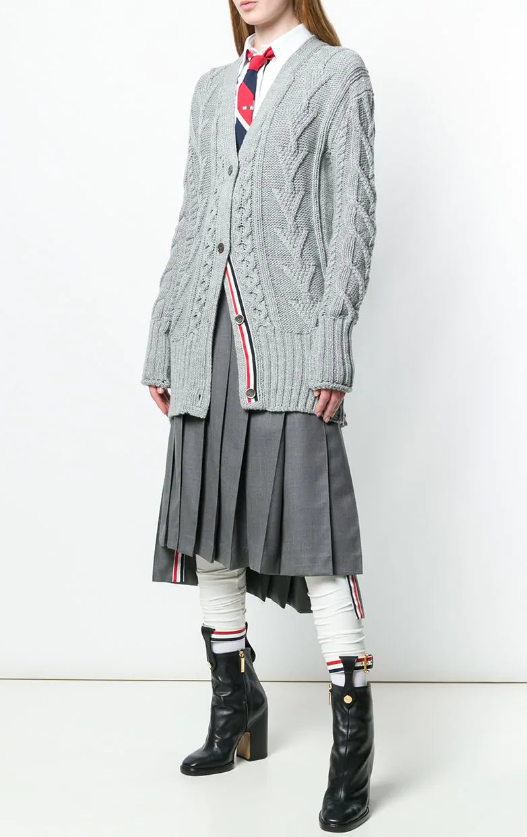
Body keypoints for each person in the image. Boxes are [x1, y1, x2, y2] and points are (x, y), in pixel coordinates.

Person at [141, 0, 377, 830]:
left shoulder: (336, 75)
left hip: (287, 342)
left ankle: (352, 741)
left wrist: (331, 340)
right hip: (203, 335)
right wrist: (164, 333)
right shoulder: (213, 89)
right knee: (209, 528)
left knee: (318, 544)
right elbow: (193, 217)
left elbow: (351, 220)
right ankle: (234, 703)